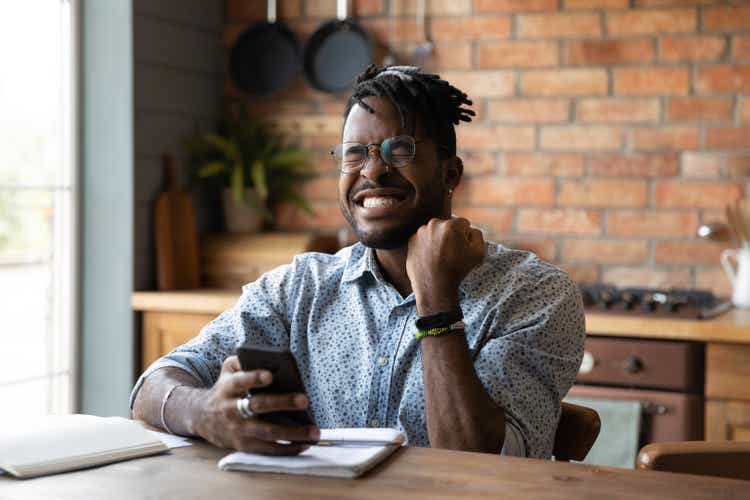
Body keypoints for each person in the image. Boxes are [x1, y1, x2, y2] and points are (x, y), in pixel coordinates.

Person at [130, 65, 585, 459]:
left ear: (450, 173)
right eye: (355, 153)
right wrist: (204, 413)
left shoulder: (536, 295)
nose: (372, 171)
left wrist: (436, 298)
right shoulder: (301, 286)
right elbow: (154, 385)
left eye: (399, 151)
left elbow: (477, 467)